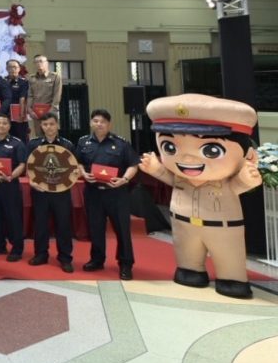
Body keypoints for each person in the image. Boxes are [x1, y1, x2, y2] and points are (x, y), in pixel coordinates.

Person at [141, 94, 262, 299]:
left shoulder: (224, 182)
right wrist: (155, 169)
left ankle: (232, 278)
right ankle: (189, 270)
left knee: (228, 253)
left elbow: (238, 186)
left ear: (248, 155)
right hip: (183, 222)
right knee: (186, 250)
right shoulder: (180, 178)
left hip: (222, 225)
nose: (188, 158)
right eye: (170, 147)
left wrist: (247, 179)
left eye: (211, 150)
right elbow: (168, 178)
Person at [78, 108, 139, 280]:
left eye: (103, 122)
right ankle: (97, 260)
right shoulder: (83, 142)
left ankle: (125, 264)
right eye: (96, 121)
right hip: (93, 193)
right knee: (95, 228)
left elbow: (133, 165)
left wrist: (124, 179)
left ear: (109, 124)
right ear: (91, 123)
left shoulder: (121, 143)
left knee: (122, 230)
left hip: (116, 193)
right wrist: (83, 173)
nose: (99, 124)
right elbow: (78, 162)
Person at [26, 113, 77, 273]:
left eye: (52, 124)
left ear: (58, 125)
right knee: (41, 224)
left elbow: (74, 168)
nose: (49, 127)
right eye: (45, 124)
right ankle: (41, 254)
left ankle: (65, 258)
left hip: (61, 192)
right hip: (40, 191)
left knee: (63, 225)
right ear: (41, 126)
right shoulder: (33, 144)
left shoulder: (67, 144)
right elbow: (29, 167)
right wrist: (31, 181)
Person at [0, 113, 27, 261]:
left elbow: (22, 164)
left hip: (10, 185)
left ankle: (17, 249)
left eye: (4, 123)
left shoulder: (17, 143)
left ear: (9, 126)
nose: (1, 126)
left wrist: (11, 176)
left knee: (13, 217)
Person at [27, 55, 62, 139]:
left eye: (41, 61)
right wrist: (30, 110)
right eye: (36, 62)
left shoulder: (55, 77)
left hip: (51, 113)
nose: (39, 64)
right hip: (36, 114)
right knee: (39, 137)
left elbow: (57, 96)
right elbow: (30, 95)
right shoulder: (31, 78)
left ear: (47, 63)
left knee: (52, 137)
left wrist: (50, 112)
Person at [5, 59, 30, 141]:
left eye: (15, 67)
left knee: (21, 138)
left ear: (19, 69)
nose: (13, 69)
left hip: (18, 114)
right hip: (5, 114)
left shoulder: (23, 82)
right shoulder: (3, 81)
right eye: (10, 67)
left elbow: (22, 98)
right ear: (6, 69)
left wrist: (21, 114)